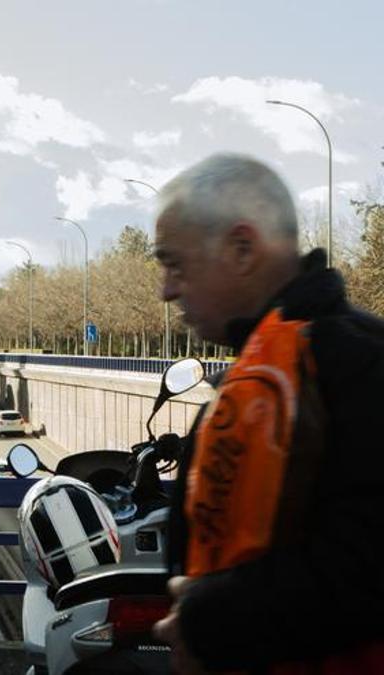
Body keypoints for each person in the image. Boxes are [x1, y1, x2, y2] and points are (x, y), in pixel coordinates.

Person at [149, 153, 384, 673]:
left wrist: (211, 619)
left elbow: (369, 562)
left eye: (175, 263)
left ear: (241, 248)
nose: (167, 289)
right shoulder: (277, 360)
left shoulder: (355, 364)